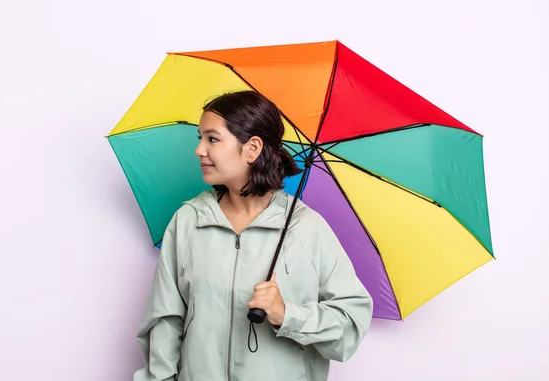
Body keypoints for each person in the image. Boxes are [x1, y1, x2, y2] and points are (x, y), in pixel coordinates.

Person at [134, 90, 373, 381]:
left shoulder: (306, 228)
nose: (199, 150)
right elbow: (165, 321)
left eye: (213, 138)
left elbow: (350, 327)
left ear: (252, 148)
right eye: (200, 138)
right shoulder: (188, 221)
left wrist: (287, 315)